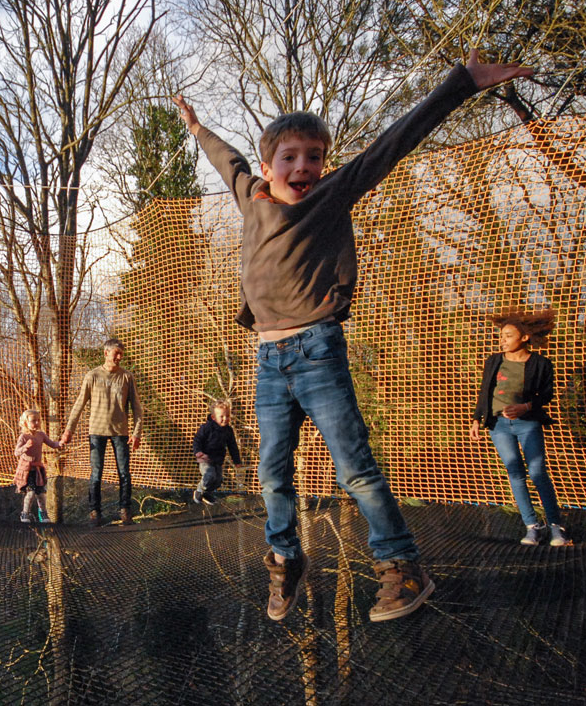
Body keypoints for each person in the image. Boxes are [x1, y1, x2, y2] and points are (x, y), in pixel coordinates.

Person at [173, 49, 533, 622]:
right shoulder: (249, 194)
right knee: (271, 470)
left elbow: (393, 142)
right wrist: (195, 127)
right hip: (268, 359)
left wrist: (462, 82)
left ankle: (402, 566)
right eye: (290, 157)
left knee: (354, 467)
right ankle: (286, 558)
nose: (304, 166)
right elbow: (226, 157)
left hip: (317, 349)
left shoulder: (331, 194)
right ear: (269, 167)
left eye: (314, 157)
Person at [470, 310, 569, 547]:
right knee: (514, 472)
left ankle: (557, 527)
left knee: (537, 472)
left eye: (508, 335)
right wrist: (476, 420)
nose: (502, 340)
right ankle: (532, 526)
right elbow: (485, 392)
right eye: (501, 335)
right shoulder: (494, 360)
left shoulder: (541, 363)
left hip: (528, 424)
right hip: (498, 425)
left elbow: (546, 396)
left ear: (524, 337)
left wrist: (524, 407)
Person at [61, 338, 144, 526]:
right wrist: (69, 430)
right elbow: (79, 404)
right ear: (106, 353)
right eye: (116, 353)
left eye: (121, 353)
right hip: (96, 431)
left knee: (124, 472)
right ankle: (94, 512)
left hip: (120, 432)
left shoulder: (127, 377)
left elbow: (137, 408)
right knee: (96, 473)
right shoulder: (92, 376)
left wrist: (137, 432)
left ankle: (125, 510)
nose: (119, 357)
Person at [13, 409, 62, 523]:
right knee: (30, 493)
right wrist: (25, 447)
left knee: (41, 493)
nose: (37, 423)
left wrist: (60, 443)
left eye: (38, 420)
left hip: (38, 469)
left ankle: (44, 514)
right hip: (27, 470)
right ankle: (25, 514)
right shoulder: (23, 437)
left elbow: (52, 444)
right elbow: (17, 452)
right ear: (25, 423)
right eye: (33, 421)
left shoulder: (41, 435)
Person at [192, 400, 242, 505]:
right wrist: (198, 452)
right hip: (206, 458)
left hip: (218, 459)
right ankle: (199, 490)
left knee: (218, 480)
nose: (225, 419)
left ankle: (207, 493)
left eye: (227, 416)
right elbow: (197, 440)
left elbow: (232, 446)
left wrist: (237, 460)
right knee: (209, 476)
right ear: (213, 417)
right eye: (222, 416)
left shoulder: (228, 430)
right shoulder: (206, 428)